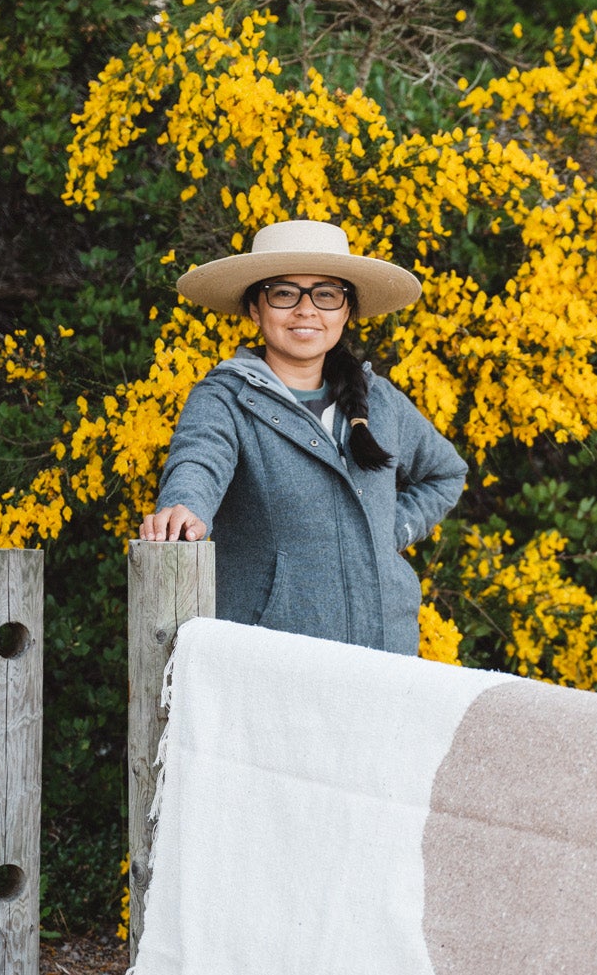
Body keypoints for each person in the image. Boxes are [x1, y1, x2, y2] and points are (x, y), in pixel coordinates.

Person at [140, 218, 467, 657]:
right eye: (284, 293)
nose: (306, 310)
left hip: (388, 650)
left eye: (326, 295)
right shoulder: (226, 397)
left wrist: (383, 530)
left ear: (346, 310)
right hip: (276, 657)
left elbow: (445, 473)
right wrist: (185, 507)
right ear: (256, 309)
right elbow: (199, 459)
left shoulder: (382, 401)